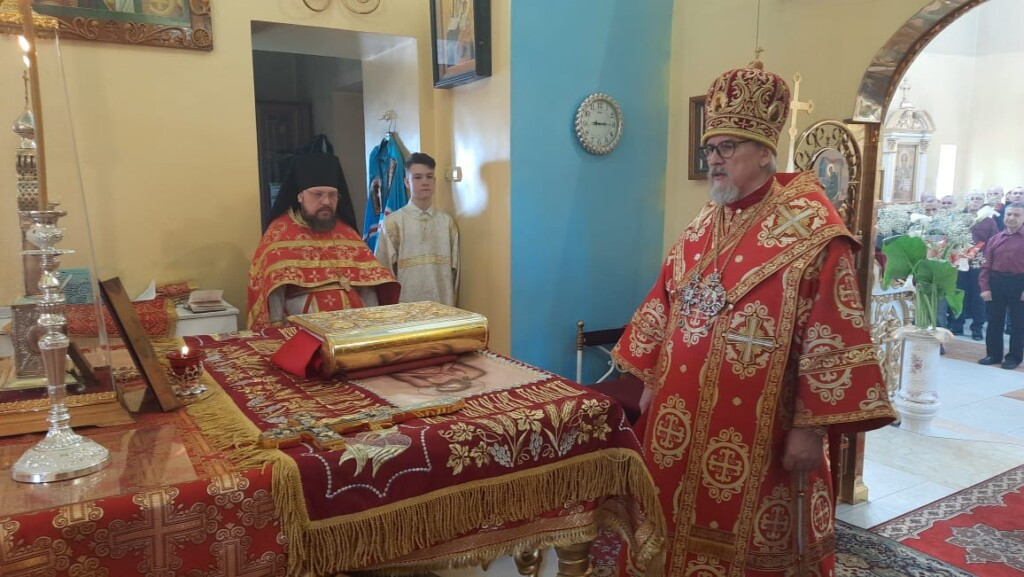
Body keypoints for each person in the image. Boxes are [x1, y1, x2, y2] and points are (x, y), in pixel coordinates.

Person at [610, 61, 897, 577]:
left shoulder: (814, 232)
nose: (714, 160)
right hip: (678, 420)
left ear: (764, 152)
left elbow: (831, 336)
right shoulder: (707, 221)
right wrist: (650, 379)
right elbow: (665, 300)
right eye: (710, 149)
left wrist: (809, 428)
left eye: (727, 148)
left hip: (761, 433)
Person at [247, 154, 400, 331]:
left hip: (354, 331)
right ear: (300, 196)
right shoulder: (279, 233)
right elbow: (273, 289)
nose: (326, 201)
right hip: (302, 333)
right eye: (317, 195)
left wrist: (374, 322)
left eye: (332, 195)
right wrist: (277, 326)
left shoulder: (347, 233)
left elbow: (369, 283)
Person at [375, 153, 460, 306]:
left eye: (429, 176)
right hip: (407, 308)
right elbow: (383, 271)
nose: (425, 182)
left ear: (434, 181)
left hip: (444, 307)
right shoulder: (394, 223)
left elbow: (456, 273)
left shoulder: (447, 223)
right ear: (407, 182)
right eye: (418, 177)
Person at [977, 202, 1024, 370]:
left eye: (1017, 215)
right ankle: (993, 354)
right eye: (1009, 214)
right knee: (994, 321)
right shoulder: (995, 239)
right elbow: (985, 266)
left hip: (1019, 283)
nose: (1011, 218)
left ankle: (1014, 357)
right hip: (996, 282)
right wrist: (985, 287)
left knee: (1018, 323)